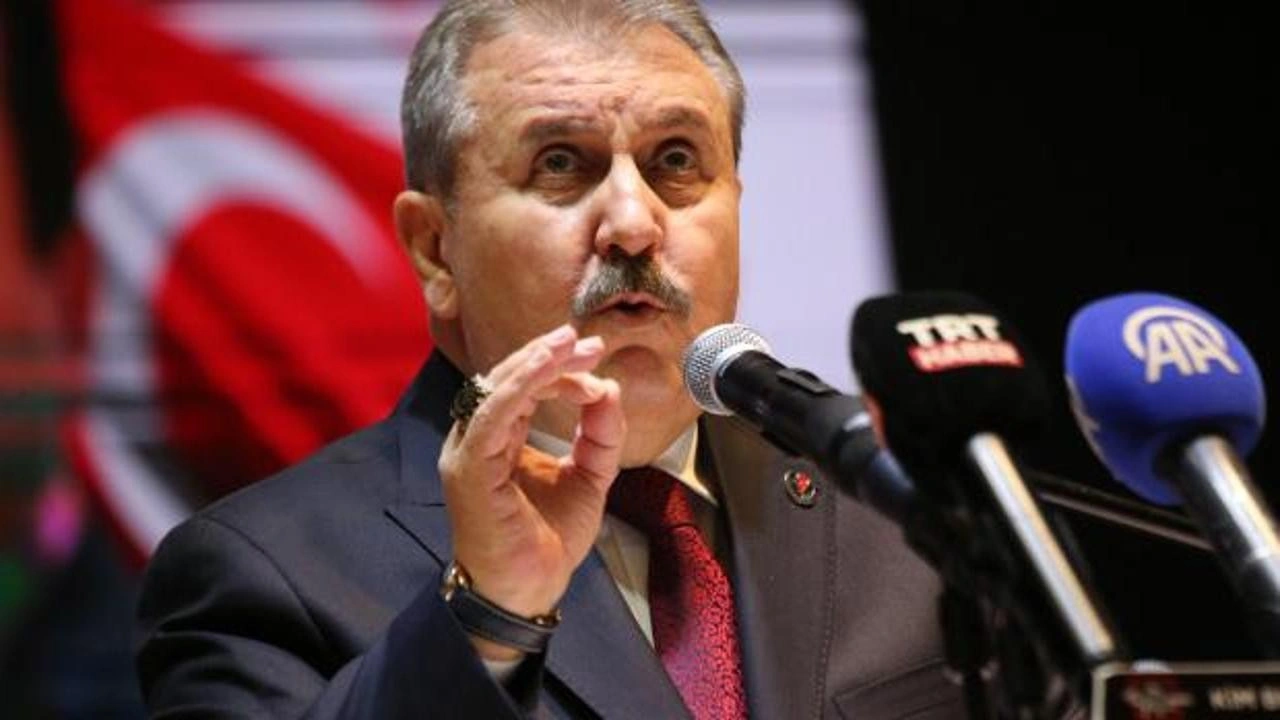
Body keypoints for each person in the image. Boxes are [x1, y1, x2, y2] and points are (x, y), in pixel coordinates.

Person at [136, 1, 965, 717]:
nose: (633, 224)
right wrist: (490, 615)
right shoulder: (264, 575)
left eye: (676, 160)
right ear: (434, 249)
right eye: (560, 164)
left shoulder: (899, 513)